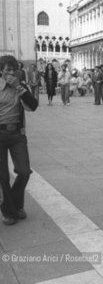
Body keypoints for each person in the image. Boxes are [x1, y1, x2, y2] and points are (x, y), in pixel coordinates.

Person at [0, 55, 38, 225]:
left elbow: (33, 106)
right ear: (1, 71)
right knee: (3, 177)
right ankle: (13, 210)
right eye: (7, 70)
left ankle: (11, 206)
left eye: (13, 70)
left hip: (17, 135)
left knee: (23, 172)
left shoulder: (20, 86)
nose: (11, 73)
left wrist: (20, 89)